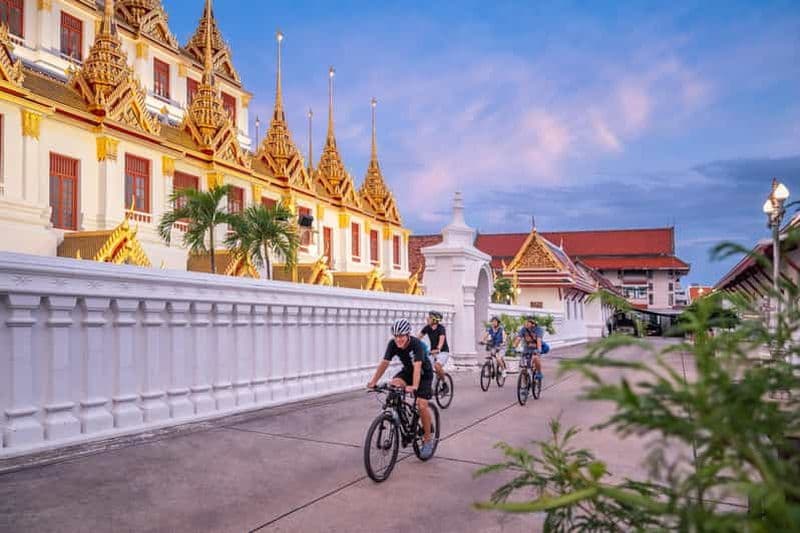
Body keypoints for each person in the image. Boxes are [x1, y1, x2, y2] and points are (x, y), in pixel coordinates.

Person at [367, 318, 435, 459]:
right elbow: (384, 363)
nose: (398, 339)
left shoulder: (417, 345)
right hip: (408, 372)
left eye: (401, 336)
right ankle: (399, 415)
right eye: (396, 336)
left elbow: (417, 367)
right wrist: (373, 381)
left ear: (408, 334)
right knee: (394, 385)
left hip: (424, 374)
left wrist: (415, 386)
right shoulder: (393, 344)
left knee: (421, 405)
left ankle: (428, 439)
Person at [419, 311, 450, 386]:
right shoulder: (427, 328)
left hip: (443, 352)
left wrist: (438, 349)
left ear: (435, 320)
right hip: (432, 352)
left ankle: (444, 383)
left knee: (437, 366)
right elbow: (418, 337)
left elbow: (441, 340)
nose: (427, 319)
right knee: (423, 365)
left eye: (429, 317)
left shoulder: (441, 328)